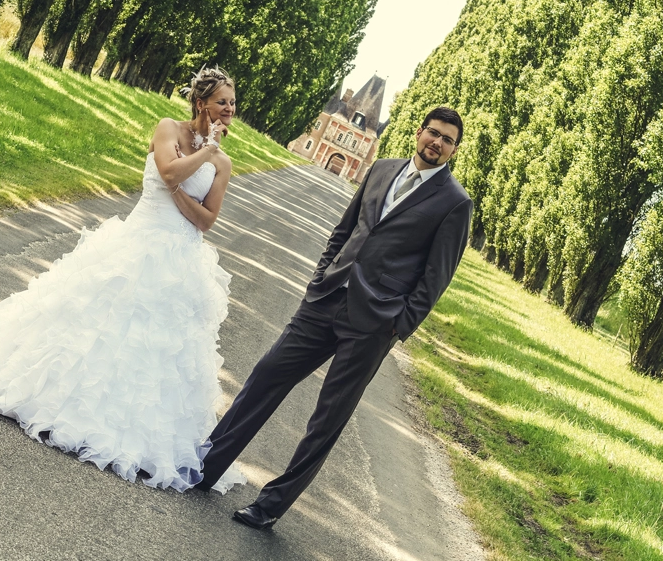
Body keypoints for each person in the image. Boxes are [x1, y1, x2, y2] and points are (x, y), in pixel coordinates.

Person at [0, 66, 246, 494]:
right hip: (137, 241)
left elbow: (205, 220)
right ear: (202, 103)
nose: (230, 109)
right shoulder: (168, 128)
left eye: (233, 103)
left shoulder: (223, 163)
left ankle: (126, 426)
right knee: (95, 321)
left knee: (155, 346)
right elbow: (169, 173)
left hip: (180, 260)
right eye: (223, 101)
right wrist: (202, 155)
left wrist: (188, 183)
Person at [197, 106, 473, 528]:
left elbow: (436, 278)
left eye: (447, 140)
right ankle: (205, 468)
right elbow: (345, 231)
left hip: (374, 323)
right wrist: (320, 278)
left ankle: (269, 508)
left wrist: (396, 325)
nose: (437, 142)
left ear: (454, 149)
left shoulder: (454, 202)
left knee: (326, 420)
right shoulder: (382, 169)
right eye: (433, 133)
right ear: (419, 132)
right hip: (326, 298)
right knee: (267, 375)